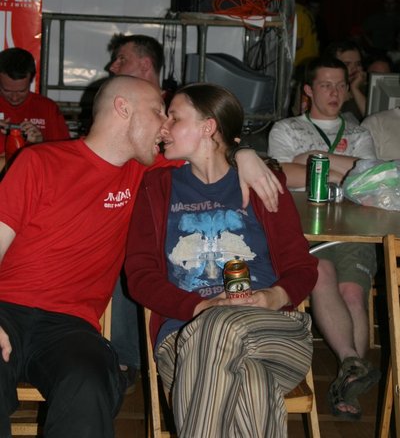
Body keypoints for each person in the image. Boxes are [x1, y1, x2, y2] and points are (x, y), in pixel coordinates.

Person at [0, 75, 282, 438]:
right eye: (159, 112)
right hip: (6, 307)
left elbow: (208, 151)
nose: (166, 126)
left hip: (70, 327)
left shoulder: (146, 175)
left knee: (90, 383)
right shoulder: (39, 161)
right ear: (123, 108)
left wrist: (244, 153)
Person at [124, 83, 318, 438]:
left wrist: (274, 296)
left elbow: (303, 268)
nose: (164, 127)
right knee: (254, 386)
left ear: (208, 126)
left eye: (175, 117)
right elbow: (139, 277)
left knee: (221, 326)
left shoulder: (262, 183)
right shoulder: (156, 187)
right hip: (182, 337)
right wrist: (201, 307)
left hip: (271, 330)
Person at [268, 55, 380, 421]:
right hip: (303, 228)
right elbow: (283, 174)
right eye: (325, 85)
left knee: (353, 292)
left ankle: (349, 375)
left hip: (354, 226)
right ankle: (352, 365)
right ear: (308, 90)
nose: (334, 93)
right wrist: (342, 168)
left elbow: (368, 178)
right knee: (322, 275)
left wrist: (316, 158)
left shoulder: (359, 134)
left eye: (340, 86)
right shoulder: (286, 129)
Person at [107, 34, 167, 393]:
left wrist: (244, 155)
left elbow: (219, 145)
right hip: (126, 206)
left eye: (121, 59)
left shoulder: (180, 106)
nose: (112, 66)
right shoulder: (118, 109)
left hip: (172, 211)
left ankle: (128, 358)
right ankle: (120, 357)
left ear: (145, 65)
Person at [0, 47, 70, 171]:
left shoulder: (47, 108)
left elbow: (65, 156)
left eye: (21, 91)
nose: (14, 97)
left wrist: (40, 143)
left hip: (35, 177)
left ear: (31, 81)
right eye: (7, 91)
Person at [324, 40, 367, 121]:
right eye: (347, 64)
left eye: (358, 64)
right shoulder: (320, 87)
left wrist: (355, 89)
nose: (354, 69)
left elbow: (375, 121)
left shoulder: (366, 88)